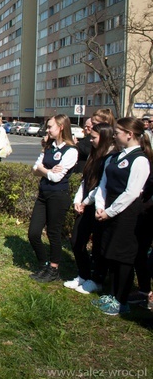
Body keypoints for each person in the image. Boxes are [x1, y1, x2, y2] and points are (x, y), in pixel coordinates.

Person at [91, 118, 152, 315]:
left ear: (129, 134)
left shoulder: (140, 159)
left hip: (127, 214)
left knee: (123, 256)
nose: (114, 135)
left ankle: (121, 300)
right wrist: (101, 206)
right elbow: (103, 184)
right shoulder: (113, 157)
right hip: (109, 209)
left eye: (118, 132)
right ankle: (112, 293)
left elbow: (132, 192)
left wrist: (109, 212)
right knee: (110, 253)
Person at [65, 123, 117, 295]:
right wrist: (78, 199)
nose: (91, 140)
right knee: (77, 241)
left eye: (94, 137)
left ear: (104, 137)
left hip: (98, 206)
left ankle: (97, 280)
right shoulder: (93, 154)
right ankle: (84, 274)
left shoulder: (111, 156)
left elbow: (102, 186)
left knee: (98, 247)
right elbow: (85, 180)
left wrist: (86, 201)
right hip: (85, 204)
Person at [28, 114, 78, 282]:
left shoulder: (71, 151)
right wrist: (47, 171)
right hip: (43, 194)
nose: (47, 130)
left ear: (61, 127)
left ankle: (54, 269)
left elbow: (57, 178)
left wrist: (43, 170)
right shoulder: (49, 147)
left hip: (58, 196)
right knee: (33, 232)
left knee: (53, 232)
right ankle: (44, 264)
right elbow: (34, 169)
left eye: (50, 127)